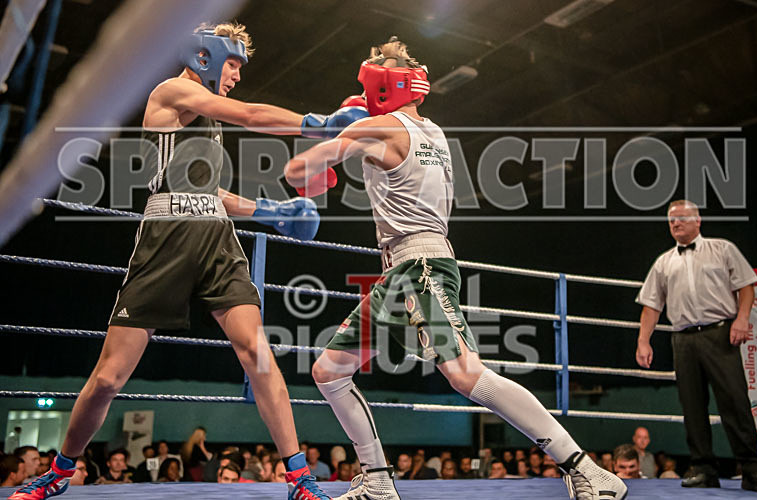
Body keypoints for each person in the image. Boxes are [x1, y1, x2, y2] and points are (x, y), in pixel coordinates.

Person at [7, 21, 368, 500]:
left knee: (257, 355)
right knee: (110, 376)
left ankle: (300, 479)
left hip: (215, 239)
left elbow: (210, 193)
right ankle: (58, 472)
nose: (237, 74)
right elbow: (251, 114)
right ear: (206, 55)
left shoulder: (208, 121)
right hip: (166, 239)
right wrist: (317, 124)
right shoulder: (174, 91)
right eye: (234, 63)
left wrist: (272, 211)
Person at [292, 35, 627, 500]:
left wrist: (332, 132)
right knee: (330, 369)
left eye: (371, 71)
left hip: (419, 266)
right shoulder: (434, 132)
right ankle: (377, 481)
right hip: (405, 270)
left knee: (466, 373)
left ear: (383, 85)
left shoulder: (380, 127)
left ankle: (586, 468)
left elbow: (298, 173)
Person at [635, 200, 757, 494]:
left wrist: (742, 320)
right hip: (682, 339)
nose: (675, 224)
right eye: (671, 220)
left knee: (736, 403)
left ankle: (753, 471)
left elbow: (746, 286)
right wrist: (643, 340)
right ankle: (703, 469)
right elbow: (651, 305)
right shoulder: (664, 262)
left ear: (697, 220)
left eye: (682, 218)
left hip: (720, 333)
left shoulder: (722, 248)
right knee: (692, 406)